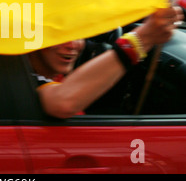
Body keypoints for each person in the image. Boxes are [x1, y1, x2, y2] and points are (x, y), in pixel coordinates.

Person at [28, 6, 184, 119]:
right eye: (60, 35)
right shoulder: (24, 83)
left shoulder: (50, 77)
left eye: (78, 34)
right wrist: (142, 39)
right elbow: (62, 103)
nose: (73, 44)